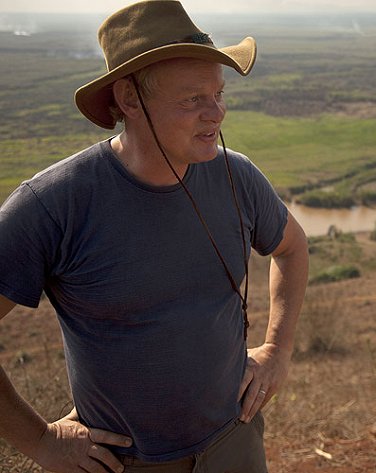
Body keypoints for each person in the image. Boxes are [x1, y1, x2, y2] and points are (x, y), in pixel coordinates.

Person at [0, 1, 308, 472]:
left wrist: (277, 351)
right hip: (122, 462)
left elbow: (292, 247)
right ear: (129, 99)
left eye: (219, 94)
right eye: (192, 99)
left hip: (234, 444)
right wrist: (40, 441)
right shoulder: (53, 204)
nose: (216, 114)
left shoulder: (237, 177)